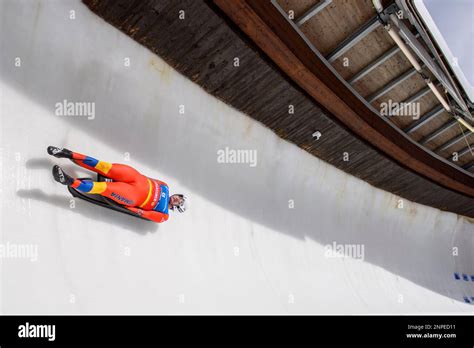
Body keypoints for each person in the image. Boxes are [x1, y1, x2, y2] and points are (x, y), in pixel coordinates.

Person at [47, 146, 187, 223]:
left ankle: (68, 180)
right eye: (180, 197)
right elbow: (148, 178)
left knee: (102, 188)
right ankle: (66, 153)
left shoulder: (164, 215)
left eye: (179, 202)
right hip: (135, 177)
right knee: (104, 166)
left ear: (176, 207)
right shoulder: (165, 186)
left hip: (133, 195)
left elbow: (142, 213)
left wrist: (124, 206)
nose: (177, 199)